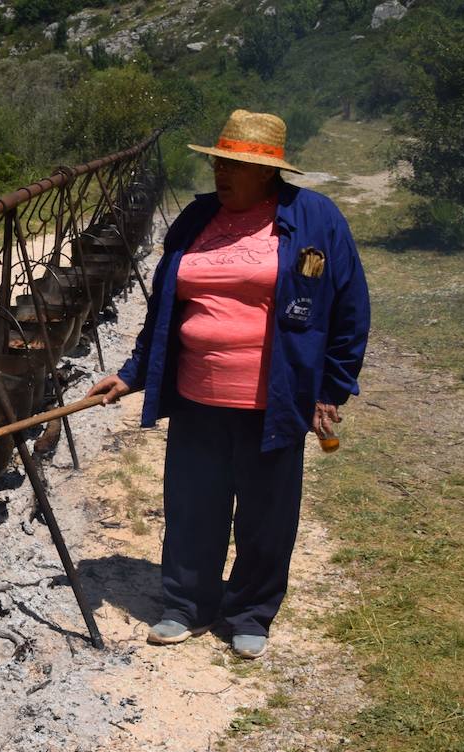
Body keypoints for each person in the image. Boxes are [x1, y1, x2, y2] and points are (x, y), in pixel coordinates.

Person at [89, 109, 370, 659]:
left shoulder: (314, 218)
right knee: (194, 506)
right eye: (219, 161)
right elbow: (165, 308)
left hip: (276, 400)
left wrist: (331, 388)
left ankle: (250, 611)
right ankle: (187, 604)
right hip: (198, 396)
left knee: (267, 514)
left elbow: (350, 309)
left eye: (235, 165)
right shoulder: (196, 219)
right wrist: (133, 373)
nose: (222, 173)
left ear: (266, 173)